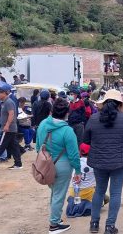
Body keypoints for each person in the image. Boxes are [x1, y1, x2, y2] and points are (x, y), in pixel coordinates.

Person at [84, 89, 123, 234]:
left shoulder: (94, 118)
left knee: (99, 192)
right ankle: (110, 226)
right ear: (119, 104)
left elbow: (86, 140)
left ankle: (94, 223)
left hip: (98, 161)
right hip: (120, 163)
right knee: (115, 193)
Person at [36, 98, 82, 234]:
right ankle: (54, 225)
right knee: (59, 195)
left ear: (52, 111)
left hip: (45, 164)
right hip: (62, 166)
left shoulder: (43, 124)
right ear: (67, 113)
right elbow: (74, 154)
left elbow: (38, 145)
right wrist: (78, 171)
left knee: (55, 193)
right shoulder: (68, 131)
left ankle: (55, 218)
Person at [0, 85, 23, 170]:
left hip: (8, 128)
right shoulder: (4, 102)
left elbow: (11, 114)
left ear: (4, 93)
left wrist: (7, 125)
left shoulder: (8, 102)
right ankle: (18, 164)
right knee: (14, 146)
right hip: (10, 128)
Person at [66, 143, 97, 218]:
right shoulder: (93, 163)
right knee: (102, 196)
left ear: (80, 152)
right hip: (87, 192)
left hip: (73, 191)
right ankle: (86, 206)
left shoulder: (75, 162)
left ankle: (77, 205)